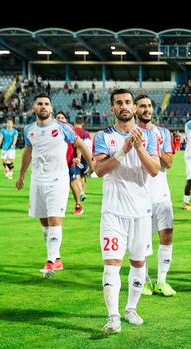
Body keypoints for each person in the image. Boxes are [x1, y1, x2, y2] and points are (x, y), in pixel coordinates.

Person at [92, 89, 160, 334]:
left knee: (138, 262)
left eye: (128, 102)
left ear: (134, 107)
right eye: (119, 102)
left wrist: (138, 147)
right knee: (111, 264)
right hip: (113, 212)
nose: (124, 106)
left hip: (141, 211)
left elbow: (154, 169)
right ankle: (113, 317)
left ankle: (131, 308)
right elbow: (99, 170)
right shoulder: (103, 137)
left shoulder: (148, 137)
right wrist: (122, 150)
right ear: (112, 108)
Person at [15, 94, 94, 277]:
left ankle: (50, 261)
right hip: (37, 180)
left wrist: (91, 165)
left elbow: (79, 143)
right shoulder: (29, 130)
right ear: (34, 107)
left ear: (51, 108)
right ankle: (56, 258)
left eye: (46, 104)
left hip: (58, 180)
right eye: (39, 103)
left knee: (54, 219)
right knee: (44, 222)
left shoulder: (62, 127)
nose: (43, 106)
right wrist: (21, 174)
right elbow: (28, 151)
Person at [135, 95, 177, 296]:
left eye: (149, 106)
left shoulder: (163, 133)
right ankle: (144, 280)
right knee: (141, 241)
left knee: (166, 236)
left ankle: (161, 281)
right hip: (139, 194)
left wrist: (155, 147)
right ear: (135, 109)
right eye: (142, 106)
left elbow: (168, 163)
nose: (147, 109)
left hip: (161, 194)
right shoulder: (131, 133)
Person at [55, 112, 85, 215]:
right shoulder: (51, 129)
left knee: (72, 184)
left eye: (62, 117)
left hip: (69, 162)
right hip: (56, 164)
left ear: (66, 120)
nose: (60, 119)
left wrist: (78, 157)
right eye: (58, 117)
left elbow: (79, 145)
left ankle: (78, 206)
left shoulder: (70, 129)